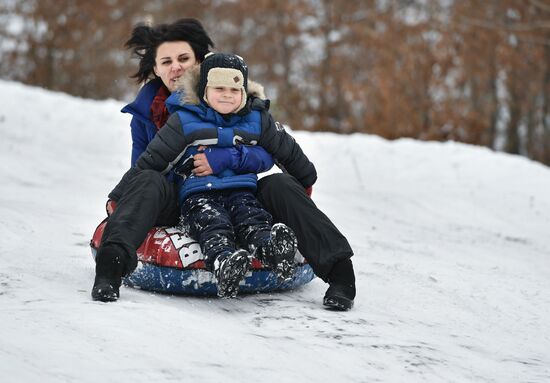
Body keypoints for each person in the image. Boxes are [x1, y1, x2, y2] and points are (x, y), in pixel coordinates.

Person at [93, 18, 356, 310]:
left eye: (184, 59)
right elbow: (147, 164)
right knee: (148, 181)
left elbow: (274, 148)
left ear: (199, 64)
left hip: (238, 189)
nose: (175, 67)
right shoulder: (153, 115)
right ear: (155, 68)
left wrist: (228, 158)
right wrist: (119, 197)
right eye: (166, 61)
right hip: (179, 197)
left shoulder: (239, 102)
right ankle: (111, 268)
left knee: (281, 184)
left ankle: (339, 274)